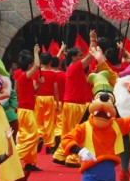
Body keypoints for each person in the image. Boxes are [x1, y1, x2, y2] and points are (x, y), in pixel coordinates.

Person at [53, 40, 96, 168]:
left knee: (68, 131)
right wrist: (92, 41)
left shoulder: (73, 68)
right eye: (80, 55)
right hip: (75, 105)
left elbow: (89, 58)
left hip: (72, 104)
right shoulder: (75, 67)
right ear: (73, 57)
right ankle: (72, 158)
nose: (82, 57)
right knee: (76, 132)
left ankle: (60, 155)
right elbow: (90, 56)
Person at [13, 47, 42, 173]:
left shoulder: (24, 78)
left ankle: (30, 162)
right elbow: (37, 65)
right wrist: (35, 52)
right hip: (26, 110)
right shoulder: (24, 76)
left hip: (27, 109)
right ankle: (13, 158)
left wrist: (40, 84)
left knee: (28, 136)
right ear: (29, 65)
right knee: (33, 136)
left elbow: (32, 92)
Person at [34, 50, 59, 154]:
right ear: (50, 62)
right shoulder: (53, 74)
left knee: (38, 120)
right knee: (49, 122)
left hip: (38, 98)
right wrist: (57, 103)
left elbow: (34, 88)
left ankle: (39, 136)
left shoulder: (36, 73)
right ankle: (49, 145)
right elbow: (55, 90)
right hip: (49, 98)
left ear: (40, 61)